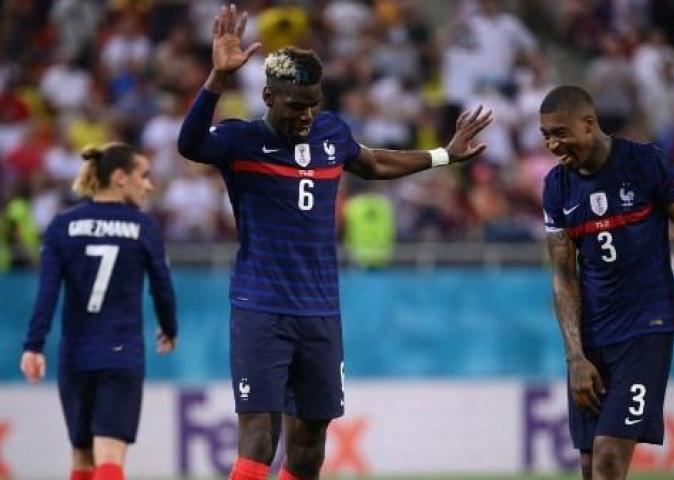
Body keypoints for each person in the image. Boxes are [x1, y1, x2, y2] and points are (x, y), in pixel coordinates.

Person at [177, 5, 491, 480]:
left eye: (313, 103)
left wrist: (444, 154)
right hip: (261, 307)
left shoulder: (331, 133)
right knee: (258, 439)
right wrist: (216, 80)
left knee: (308, 445)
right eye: (296, 105)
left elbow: (374, 163)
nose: (307, 114)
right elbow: (189, 143)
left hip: (320, 311)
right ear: (268, 97)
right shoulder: (239, 141)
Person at [540, 85, 674, 480]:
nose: (553, 145)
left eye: (560, 133)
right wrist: (575, 355)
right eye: (546, 136)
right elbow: (563, 273)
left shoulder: (646, 164)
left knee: (608, 459)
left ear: (589, 124)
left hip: (645, 328)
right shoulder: (557, 186)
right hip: (593, 336)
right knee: (591, 467)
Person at [19, 143, 177, 480]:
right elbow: (162, 286)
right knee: (110, 455)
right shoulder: (143, 226)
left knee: (81, 456)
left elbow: (47, 293)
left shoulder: (63, 225)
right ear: (120, 178)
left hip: (75, 355)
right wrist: (169, 327)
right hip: (121, 355)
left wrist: (33, 346)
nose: (149, 185)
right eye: (144, 176)